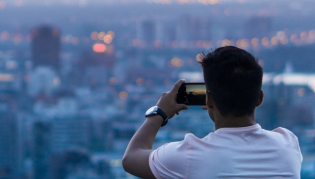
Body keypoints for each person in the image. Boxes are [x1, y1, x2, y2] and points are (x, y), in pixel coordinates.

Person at [122, 46, 302, 179]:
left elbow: (130, 158)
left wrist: (159, 112)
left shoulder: (188, 156)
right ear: (259, 98)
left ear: (208, 101)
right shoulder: (288, 144)